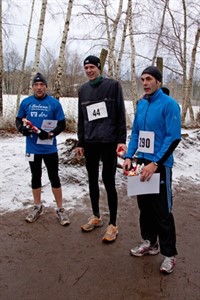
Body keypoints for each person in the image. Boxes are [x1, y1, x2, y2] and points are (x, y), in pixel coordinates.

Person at [123, 66, 181, 274]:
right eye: (142, 79)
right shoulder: (141, 104)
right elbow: (136, 133)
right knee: (145, 208)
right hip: (142, 163)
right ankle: (150, 243)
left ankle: (169, 255)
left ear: (158, 81)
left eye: (149, 79)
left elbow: (173, 137)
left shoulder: (169, 104)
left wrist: (155, 162)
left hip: (160, 166)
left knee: (162, 212)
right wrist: (129, 156)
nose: (145, 83)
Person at [75, 55, 127, 242]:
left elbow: (120, 113)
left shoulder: (112, 86)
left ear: (99, 68)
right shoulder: (83, 90)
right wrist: (80, 141)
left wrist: (121, 140)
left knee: (108, 180)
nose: (89, 71)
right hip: (90, 141)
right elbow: (82, 117)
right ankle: (96, 216)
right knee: (91, 180)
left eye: (92, 67)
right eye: (86, 68)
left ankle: (113, 224)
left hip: (108, 141)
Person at [16, 72, 70, 226]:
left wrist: (51, 134)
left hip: (49, 149)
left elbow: (62, 124)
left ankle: (60, 209)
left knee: (54, 177)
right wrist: (22, 129)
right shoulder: (26, 102)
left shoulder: (54, 103)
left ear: (46, 86)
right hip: (32, 148)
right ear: (33, 87)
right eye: (36, 85)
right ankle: (37, 206)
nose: (39, 87)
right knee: (35, 176)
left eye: (42, 85)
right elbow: (18, 119)